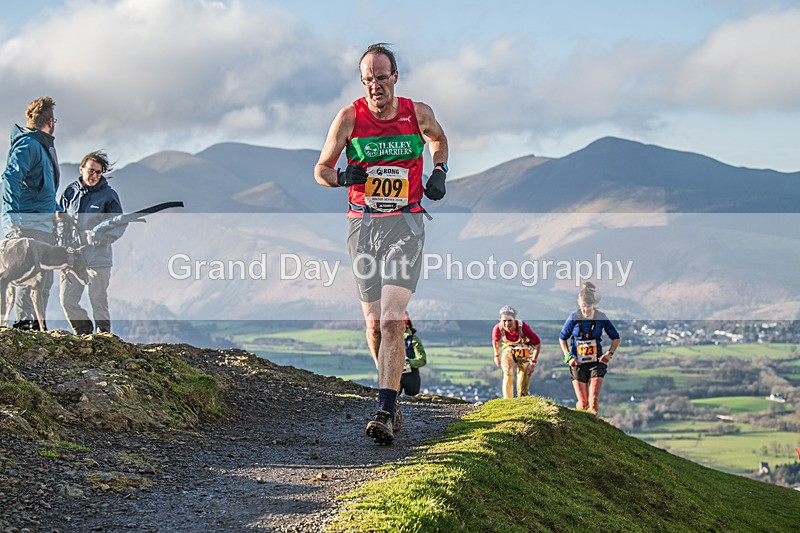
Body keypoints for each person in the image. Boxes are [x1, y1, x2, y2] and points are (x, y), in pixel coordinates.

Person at [314, 43, 448, 445]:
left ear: (395, 77)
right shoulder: (349, 118)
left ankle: (385, 410)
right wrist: (343, 176)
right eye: (368, 79)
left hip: (405, 224)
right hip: (364, 225)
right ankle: (392, 383)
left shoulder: (416, 113)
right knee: (373, 324)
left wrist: (439, 171)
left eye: (381, 77)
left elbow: (438, 140)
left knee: (391, 317)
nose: (375, 85)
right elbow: (321, 170)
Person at [1, 96, 60, 330]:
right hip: (27, 225)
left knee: (43, 280)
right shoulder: (30, 145)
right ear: (51, 122)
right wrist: (12, 217)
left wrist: (58, 211)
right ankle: (25, 328)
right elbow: (11, 177)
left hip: (42, 225)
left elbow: (41, 188)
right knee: (27, 277)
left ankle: (34, 326)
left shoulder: (40, 146)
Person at [58, 151, 124, 335]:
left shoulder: (109, 196)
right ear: (81, 169)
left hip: (98, 258)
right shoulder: (70, 191)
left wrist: (101, 239)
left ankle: (103, 335)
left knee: (98, 298)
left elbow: (119, 224)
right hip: (71, 257)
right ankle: (83, 331)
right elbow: (61, 216)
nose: (94, 175)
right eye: (91, 171)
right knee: (67, 299)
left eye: (98, 172)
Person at [559, 282, 621, 415]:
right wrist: (568, 356)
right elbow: (562, 338)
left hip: (596, 363)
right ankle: (580, 428)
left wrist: (609, 354)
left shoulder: (601, 317)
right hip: (578, 364)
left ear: (594, 305)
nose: (586, 310)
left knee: (593, 400)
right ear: (578, 303)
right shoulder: (573, 317)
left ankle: (594, 429)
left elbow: (616, 338)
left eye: (588, 307)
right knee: (583, 402)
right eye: (583, 307)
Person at [492, 305, 541, 398]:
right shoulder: (498, 328)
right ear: (500, 320)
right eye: (504, 321)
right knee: (507, 372)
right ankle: (507, 400)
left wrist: (533, 362)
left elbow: (537, 343)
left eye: (509, 320)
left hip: (524, 349)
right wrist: (497, 355)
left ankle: (522, 399)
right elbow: (495, 341)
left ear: (514, 319)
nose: (507, 324)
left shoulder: (523, 327)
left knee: (523, 375)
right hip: (509, 349)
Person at [400, 312, 427, 396]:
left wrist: (408, 362)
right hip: (395, 375)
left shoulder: (413, 339)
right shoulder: (389, 339)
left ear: (406, 324)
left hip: (411, 376)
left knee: (413, 401)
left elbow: (422, 359)